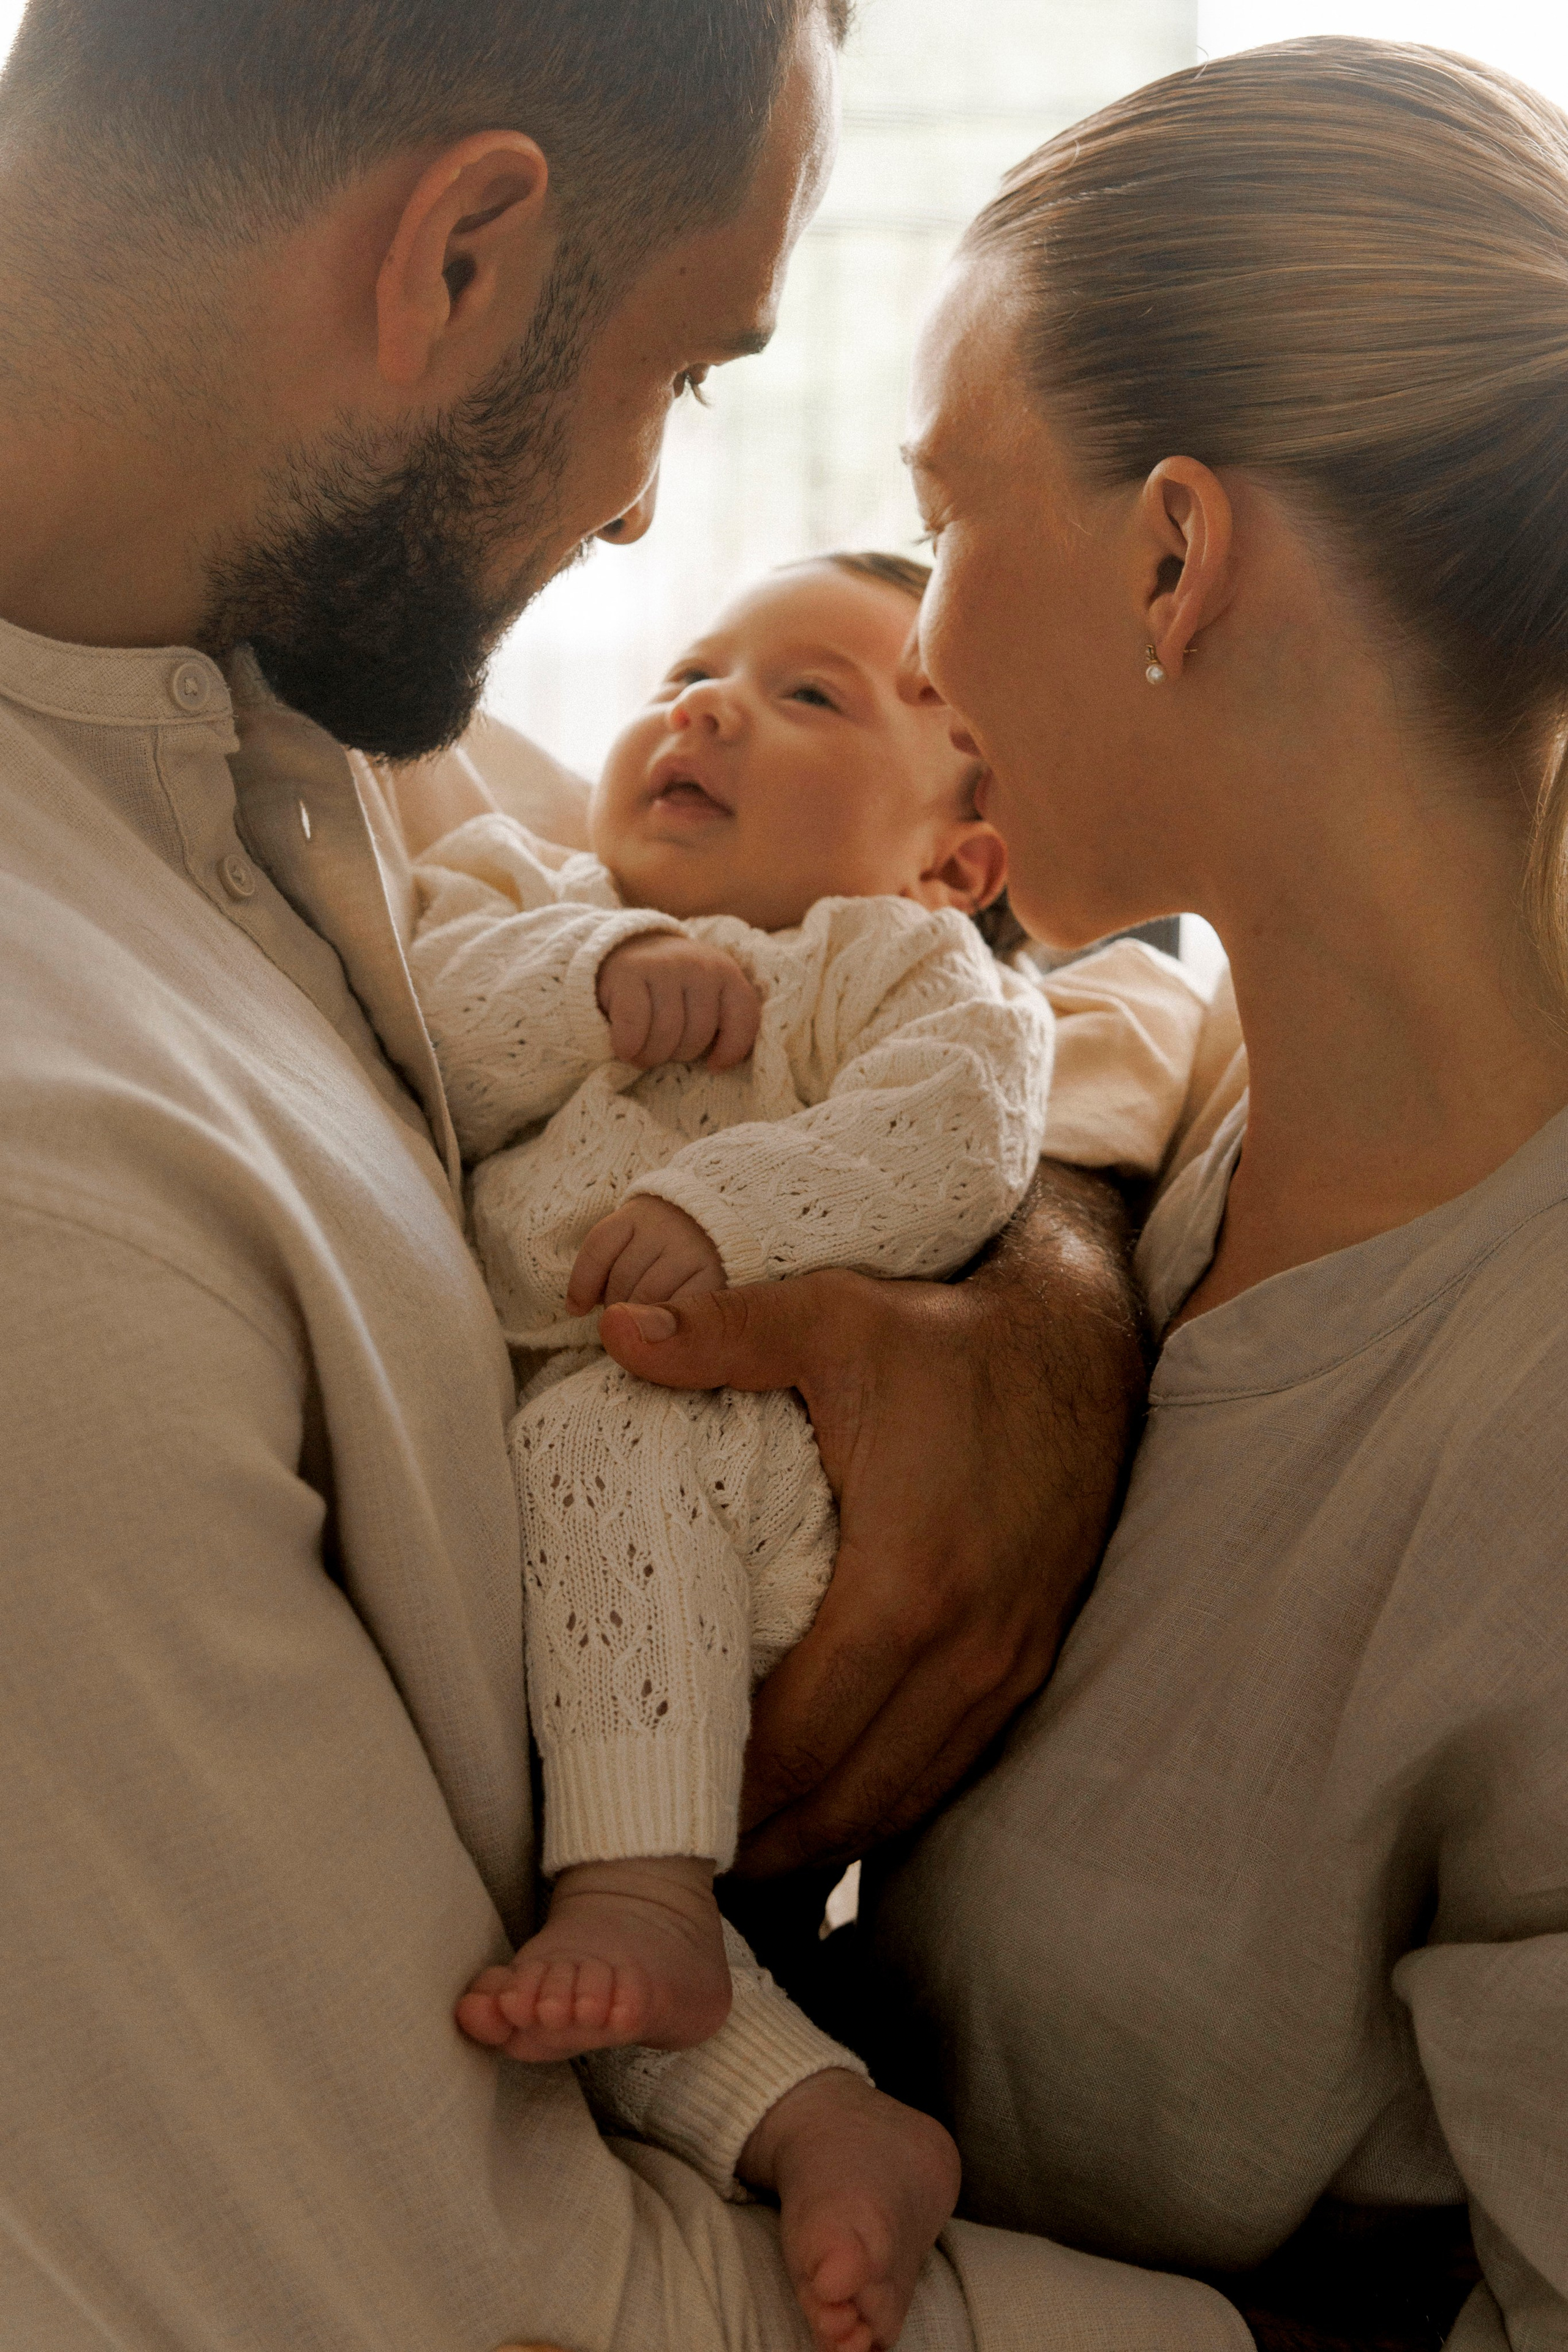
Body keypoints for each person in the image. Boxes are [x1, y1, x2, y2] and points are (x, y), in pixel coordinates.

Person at [0, 4, 1243, 2347]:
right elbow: (472, 2304)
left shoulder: (282, 685)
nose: (650, 508)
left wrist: (1033, 1309)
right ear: (457, 258)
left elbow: (1042, 985)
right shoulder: (52, 1241)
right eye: (681, 369)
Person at [717, 34, 1568, 2351]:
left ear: (1176, 555)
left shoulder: (1526, 1439)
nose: (917, 643)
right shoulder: (1193, 1114)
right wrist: (1058, 1269)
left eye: (948, 517)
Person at [404, 551, 1205, 2349]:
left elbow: (957, 1137)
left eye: (809, 696)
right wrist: (602, 974)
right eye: (690, 673)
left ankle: (642, 1886)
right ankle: (824, 2123)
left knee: (610, 1513)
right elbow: (429, 1023)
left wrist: (730, 1210)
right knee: (574, 1980)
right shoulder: (523, 892)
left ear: (957, 861)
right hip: (572, 1563)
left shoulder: (897, 964)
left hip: (744, 1471)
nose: (706, 706)